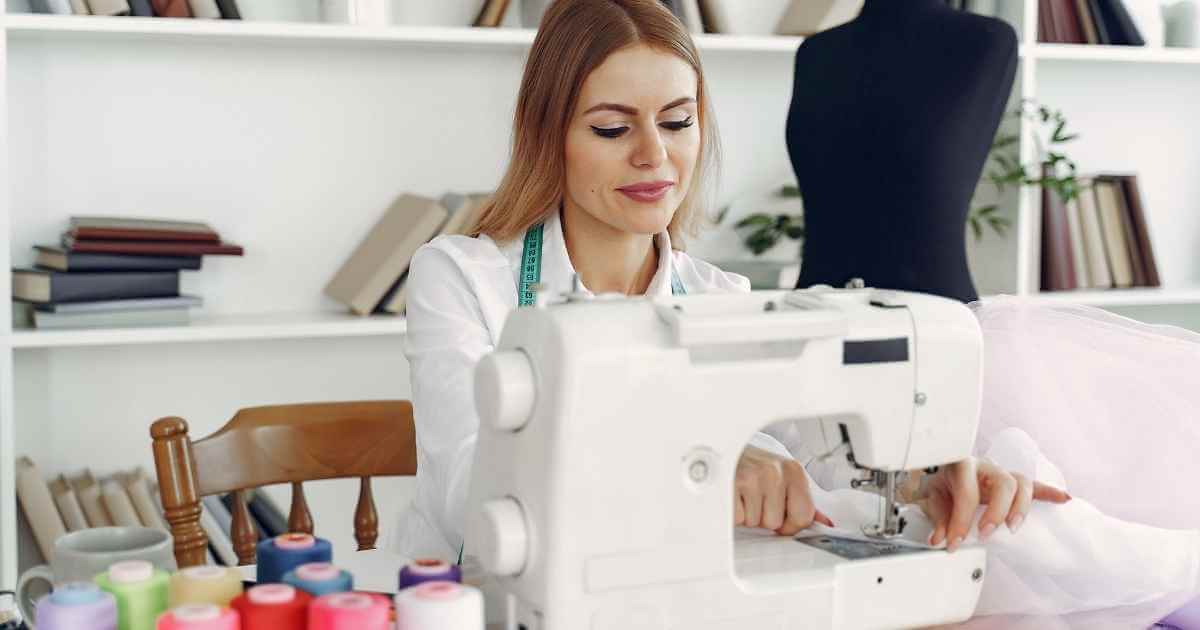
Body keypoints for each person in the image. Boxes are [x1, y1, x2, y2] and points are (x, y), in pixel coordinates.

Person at [395, 0, 1198, 626]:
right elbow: (477, 483)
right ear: (549, 134)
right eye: (613, 128)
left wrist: (919, 481)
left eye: (678, 122)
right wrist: (704, 466)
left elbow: (815, 457)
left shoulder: (719, 301)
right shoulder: (464, 279)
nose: (654, 155)